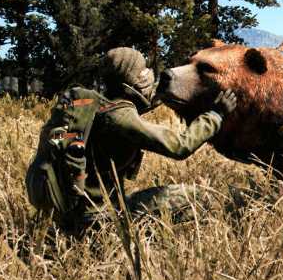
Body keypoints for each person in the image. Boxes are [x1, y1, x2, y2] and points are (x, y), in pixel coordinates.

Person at [25, 47, 236, 236]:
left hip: (72, 215)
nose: (147, 75)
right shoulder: (120, 117)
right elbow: (180, 146)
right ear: (130, 80)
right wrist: (215, 115)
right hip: (101, 220)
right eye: (143, 70)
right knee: (200, 196)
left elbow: (127, 113)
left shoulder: (96, 107)